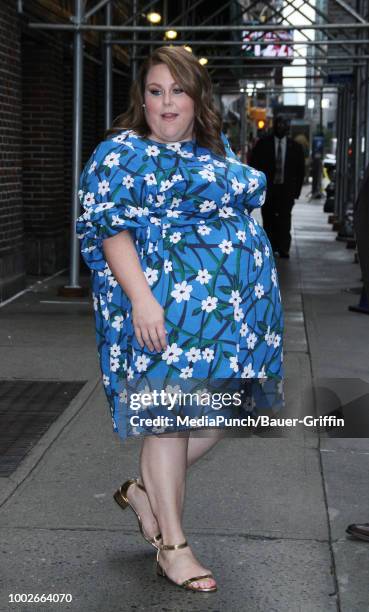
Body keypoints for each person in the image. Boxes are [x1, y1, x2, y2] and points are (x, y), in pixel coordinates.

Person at [76, 46, 284, 593]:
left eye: (178, 91)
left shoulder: (213, 152)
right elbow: (109, 227)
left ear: (198, 98)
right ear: (140, 98)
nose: (166, 102)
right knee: (167, 419)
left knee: (227, 409)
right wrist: (142, 299)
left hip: (230, 320)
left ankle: (147, 491)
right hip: (159, 311)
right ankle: (173, 546)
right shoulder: (120, 153)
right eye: (154, 91)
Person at [249, 115, 305, 258]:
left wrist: (296, 191)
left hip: (286, 190)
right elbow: (254, 165)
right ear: (274, 126)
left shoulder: (296, 148)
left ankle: (283, 247)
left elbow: (300, 171)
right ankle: (270, 246)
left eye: (284, 125)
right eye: (279, 124)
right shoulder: (263, 144)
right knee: (268, 218)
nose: (281, 127)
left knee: (285, 218)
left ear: (288, 128)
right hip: (269, 189)